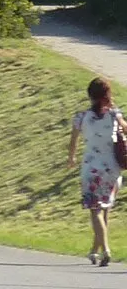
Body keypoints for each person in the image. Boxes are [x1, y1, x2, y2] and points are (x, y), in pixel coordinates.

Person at [73, 76, 123, 265]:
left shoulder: (81, 117)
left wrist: (71, 158)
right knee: (105, 210)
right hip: (112, 169)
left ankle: (106, 250)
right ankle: (95, 250)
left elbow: (73, 143)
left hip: (91, 170)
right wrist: (115, 110)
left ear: (90, 96)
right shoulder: (113, 114)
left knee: (95, 211)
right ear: (107, 95)